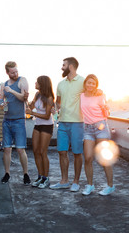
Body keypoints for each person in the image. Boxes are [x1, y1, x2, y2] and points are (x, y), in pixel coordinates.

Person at [50, 57, 84, 192]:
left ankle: (76, 181)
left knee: (77, 153)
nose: (62, 67)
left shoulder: (83, 81)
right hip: (63, 123)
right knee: (61, 151)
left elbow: (92, 94)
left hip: (77, 123)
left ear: (71, 66)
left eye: (63, 65)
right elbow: (58, 102)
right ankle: (64, 181)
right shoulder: (60, 84)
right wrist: (55, 109)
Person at [80, 74, 115, 196]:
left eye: (93, 83)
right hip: (88, 129)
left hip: (101, 127)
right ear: (85, 83)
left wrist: (106, 108)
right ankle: (90, 185)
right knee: (88, 158)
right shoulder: (81, 96)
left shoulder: (100, 96)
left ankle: (110, 186)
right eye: (88, 83)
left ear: (96, 85)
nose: (90, 85)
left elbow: (107, 113)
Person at [0, 61, 31, 185]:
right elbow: (0, 100)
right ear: (7, 72)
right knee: (6, 149)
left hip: (19, 120)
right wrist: (1, 103)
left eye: (16, 71)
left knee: (20, 149)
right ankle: (7, 174)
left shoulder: (22, 80)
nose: (15, 73)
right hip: (7, 120)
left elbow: (23, 98)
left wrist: (11, 91)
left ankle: (26, 174)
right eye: (12, 72)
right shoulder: (4, 84)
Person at [26, 76, 55, 189]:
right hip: (37, 125)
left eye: (37, 82)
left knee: (43, 152)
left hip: (47, 126)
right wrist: (27, 100)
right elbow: (31, 106)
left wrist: (32, 113)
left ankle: (46, 178)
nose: (35, 83)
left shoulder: (49, 97)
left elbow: (47, 115)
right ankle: (40, 176)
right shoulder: (37, 94)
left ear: (42, 84)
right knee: (36, 151)